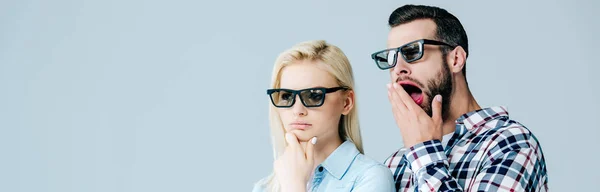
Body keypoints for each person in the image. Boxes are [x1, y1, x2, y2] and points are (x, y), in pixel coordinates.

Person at [369, 5, 549, 191]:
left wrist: (424, 152)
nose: (398, 68)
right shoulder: (395, 164)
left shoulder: (510, 144)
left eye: (413, 52)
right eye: (391, 57)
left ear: (455, 59)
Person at [252, 40, 395, 192]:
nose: (297, 110)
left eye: (314, 96)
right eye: (287, 96)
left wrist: (294, 186)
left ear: (346, 102)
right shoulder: (264, 188)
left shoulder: (371, 177)